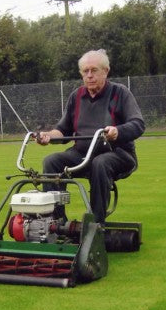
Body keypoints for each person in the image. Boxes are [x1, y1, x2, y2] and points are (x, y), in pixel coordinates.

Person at [36, 49, 145, 223]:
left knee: (99, 163)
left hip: (117, 153)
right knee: (51, 161)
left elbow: (138, 124)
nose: (89, 76)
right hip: (80, 154)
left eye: (94, 70)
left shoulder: (120, 93)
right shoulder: (76, 96)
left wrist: (117, 132)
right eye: (85, 71)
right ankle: (54, 221)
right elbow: (63, 131)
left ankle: (96, 223)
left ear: (106, 71)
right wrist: (48, 136)